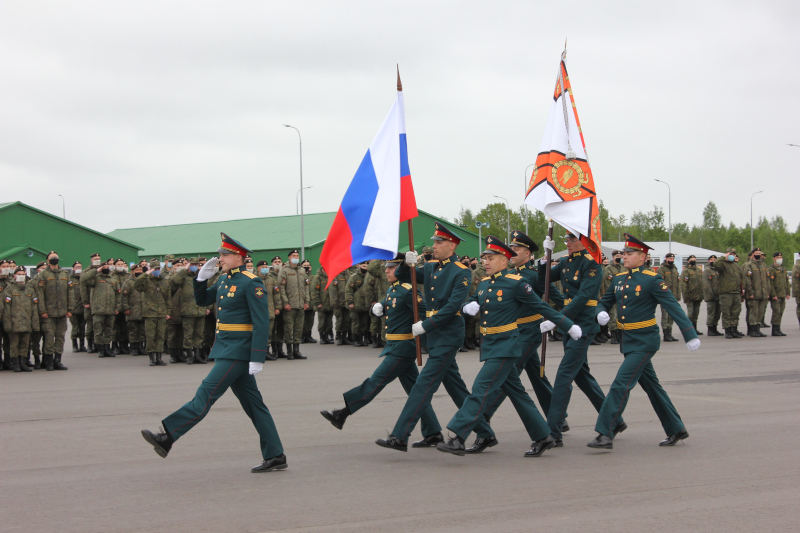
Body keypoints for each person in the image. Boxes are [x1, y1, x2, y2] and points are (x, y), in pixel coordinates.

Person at [141, 232, 286, 473]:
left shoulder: (251, 282)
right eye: (220, 255)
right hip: (226, 347)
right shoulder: (223, 279)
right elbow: (202, 301)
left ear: (239, 257)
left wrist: (258, 356)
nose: (220, 259)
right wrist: (200, 279)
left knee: (206, 393)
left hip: (238, 351)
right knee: (255, 406)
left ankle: (168, 435)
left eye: (225, 255)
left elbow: (261, 322)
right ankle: (276, 455)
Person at [437, 236, 579, 457]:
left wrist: (568, 325)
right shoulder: (484, 283)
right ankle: (543, 436)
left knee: (480, 390)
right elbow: (474, 298)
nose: (486, 262)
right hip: (490, 345)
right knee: (517, 392)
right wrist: (469, 305)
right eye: (485, 258)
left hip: (506, 346)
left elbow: (542, 306)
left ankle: (458, 436)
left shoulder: (516, 283)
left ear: (504, 260)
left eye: (491, 258)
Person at [375, 223, 481, 452]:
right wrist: (407, 260)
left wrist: (426, 324)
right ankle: (485, 432)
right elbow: (406, 275)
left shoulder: (461, 270)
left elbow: (454, 304)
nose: (434, 246)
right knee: (456, 387)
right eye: (434, 242)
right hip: (434, 334)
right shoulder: (433, 266)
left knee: (422, 385)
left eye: (438, 242)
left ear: (451, 245)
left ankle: (399, 436)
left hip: (448, 332)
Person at [588, 234, 699, 450]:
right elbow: (604, 301)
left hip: (645, 341)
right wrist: (600, 312)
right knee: (653, 387)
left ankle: (605, 432)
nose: (624, 257)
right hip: (628, 341)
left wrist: (689, 333)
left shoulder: (652, 279)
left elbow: (673, 306)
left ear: (642, 257)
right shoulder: (619, 279)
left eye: (629, 254)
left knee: (620, 384)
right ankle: (676, 428)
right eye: (623, 253)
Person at [320, 254, 442, 436]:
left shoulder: (409, 290)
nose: (386, 271)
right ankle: (432, 432)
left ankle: (342, 413)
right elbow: (387, 307)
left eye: (391, 268)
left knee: (375, 382)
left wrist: (423, 328)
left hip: (403, 347)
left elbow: (426, 313)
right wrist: (377, 308)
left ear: (401, 270)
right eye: (386, 267)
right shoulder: (393, 290)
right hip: (394, 346)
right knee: (416, 392)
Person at [538, 232, 626, 447]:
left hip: (583, 324)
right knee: (582, 376)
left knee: (564, 375)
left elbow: (583, 296)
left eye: (572, 240)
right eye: (566, 240)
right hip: (572, 324)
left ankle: (554, 432)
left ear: (584, 242)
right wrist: (544, 259)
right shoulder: (567, 262)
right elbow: (545, 279)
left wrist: (561, 319)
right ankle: (615, 421)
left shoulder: (593, 265)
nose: (567, 244)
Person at [34, 251, 74, 370]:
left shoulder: (65, 274)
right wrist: (43, 311)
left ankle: (58, 360)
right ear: (47, 260)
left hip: (62, 311)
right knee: (49, 337)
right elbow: (39, 294)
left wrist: (69, 309)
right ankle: (49, 362)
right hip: (49, 312)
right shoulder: (43, 275)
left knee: (60, 336)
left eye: (56, 257)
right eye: (52, 258)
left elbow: (70, 293)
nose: (54, 259)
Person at [171, 257, 209, 364]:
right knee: (188, 335)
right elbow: (173, 281)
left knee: (199, 335)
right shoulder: (184, 277)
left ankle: (197, 355)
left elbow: (208, 292)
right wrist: (184, 270)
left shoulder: (201, 277)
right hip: (188, 311)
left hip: (200, 310)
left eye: (196, 264)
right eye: (192, 264)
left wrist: (207, 308)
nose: (194, 266)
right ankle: (190, 356)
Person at [1, 267, 40, 372]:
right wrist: (8, 324)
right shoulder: (10, 289)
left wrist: (35, 324)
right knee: (14, 345)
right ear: (14, 276)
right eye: (19, 274)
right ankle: (16, 363)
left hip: (27, 322)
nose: (21, 276)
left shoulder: (30, 290)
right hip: (14, 322)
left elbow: (34, 308)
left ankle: (23, 363)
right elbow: (6, 308)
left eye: (23, 274)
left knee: (25, 344)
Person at [134, 259, 171, 366]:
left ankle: (159, 357)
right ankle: (151, 358)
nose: (157, 271)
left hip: (161, 312)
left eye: (158, 269)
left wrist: (168, 312)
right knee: (150, 336)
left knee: (160, 336)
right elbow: (137, 284)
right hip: (150, 313)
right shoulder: (145, 281)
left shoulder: (164, 281)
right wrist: (145, 274)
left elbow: (168, 298)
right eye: (155, 269)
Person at [83, 260, 122, 359]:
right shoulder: (95, 279)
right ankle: (100, 349)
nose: (106, 269)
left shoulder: (113, 280)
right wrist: (96, 270)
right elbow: (84, 279)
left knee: (108, 330)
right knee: (98, 331)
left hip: (110, 310)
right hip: (98, 310)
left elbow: (118, 295)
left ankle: (107, 348)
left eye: (107, 267)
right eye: (103, 267)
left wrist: (117, 307)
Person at [277, 249, 309, 359]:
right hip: (290, 305)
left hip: (300, 304)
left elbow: (306, 287)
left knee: (298, 328)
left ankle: (297, 351)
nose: (296, 257)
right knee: (288, 329)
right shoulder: (284, 271)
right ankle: (289, 352)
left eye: (297, 255)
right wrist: (285, 302)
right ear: (289, 257)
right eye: (294, 255)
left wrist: (306, 301)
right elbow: (281, 288)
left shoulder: (302, 270)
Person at [709, 248, 743, 339]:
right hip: (726, 293)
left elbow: (741, 278)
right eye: (730, 253)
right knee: (726, 313)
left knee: (735, 312)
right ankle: (727, 331)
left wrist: (742, 291)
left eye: (734, 254)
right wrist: (723, 257)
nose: (732, 255)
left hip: (736, 292)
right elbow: (715, 264)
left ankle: (734, 329)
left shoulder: (736, 265)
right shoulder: (723, 264)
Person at [743, 248, 770, 337]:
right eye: (756, 253)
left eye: (759, 253)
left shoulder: (763, 265)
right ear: (753, 254)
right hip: (754, 294)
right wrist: (750, 292)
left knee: (760, 312)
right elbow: (747, 280)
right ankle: (752, 330)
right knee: (753, 313)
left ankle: (757, 329)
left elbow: (767, 279)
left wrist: (767, 291)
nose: (758, 254)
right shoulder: (749, 265)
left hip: (762, 293)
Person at [120, 264, 146, 356]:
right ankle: (134, 348)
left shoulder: (144, 281)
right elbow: (124, 297)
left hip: (143, 310)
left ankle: (141, 347)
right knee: (133, 330)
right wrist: (126, 308)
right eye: (137, 270)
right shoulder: (128, 282)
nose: (139, 271)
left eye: (140, 270)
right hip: (133, 310)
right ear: (132, 271)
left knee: (142, 330)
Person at [80, 253, 102, 353]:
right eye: (95, 259)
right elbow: (83, 287)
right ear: (91, 260)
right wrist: (85, 302)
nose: (97, 260)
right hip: (90, 301)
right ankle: (90, 344)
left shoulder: (102, 270)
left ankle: (98, 345)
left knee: (99, 325)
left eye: (98, 259)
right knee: (90, 324)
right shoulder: (87, 271)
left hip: (100, 302)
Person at [345, 262, 371, 347]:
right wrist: (350, 302)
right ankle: (356, 339)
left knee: (364, 323)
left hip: (365, 304)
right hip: (355, 304)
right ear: (359, 266)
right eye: (363, 266)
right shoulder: (354, 277)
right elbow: (349, 291)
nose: (365, 268)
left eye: (367, 267)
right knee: (355, 323)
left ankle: (362, 338)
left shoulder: (369, 277)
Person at [658, 252, 681, 342]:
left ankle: (670, 333)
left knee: (671, 316)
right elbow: (660, 284)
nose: (671, 260)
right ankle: (665, 334)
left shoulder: (675, 269)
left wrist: (678, 296)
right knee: (665, 316)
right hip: (665, 296)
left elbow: (678, 284)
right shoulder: (661, 269)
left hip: (673, 296)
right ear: (666, 259)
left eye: (673, 259)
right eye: (670, 259)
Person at [266, 256, 286, 357]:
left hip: (285, 305)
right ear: (272, 264)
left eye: (279, 261)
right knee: (272, 329)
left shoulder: (284, 273)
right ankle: (273, 350)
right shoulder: (270, 275)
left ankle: (280, 349)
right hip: (273, 307)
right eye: (275, 262)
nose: (277, 263)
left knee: (281, 328)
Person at [680, 254, 704, 335]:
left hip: (698, 296)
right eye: (691, 259)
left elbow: (701, 283)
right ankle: (689, 330)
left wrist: (702, 295)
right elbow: (684, 285)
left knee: (696, 314)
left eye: (694, 259)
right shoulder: (686, 271)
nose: (693, 260)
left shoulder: (698, 270)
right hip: (690, 296)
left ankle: (695, 329)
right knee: (690, 315)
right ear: (688, 261)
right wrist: (686, 297)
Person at [311, 265, 334, 345]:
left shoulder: (331, 276)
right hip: (322, 303)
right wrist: (318, 303)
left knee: (329, 322)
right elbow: (314, 292)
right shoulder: (318, 277)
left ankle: (327, 336)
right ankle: (322, 337)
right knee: (322, 322)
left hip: (330, 303)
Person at [768, 252, 789, 336]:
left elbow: (786, 282)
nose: (779, 258)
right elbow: (770, 283)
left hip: (782, 294)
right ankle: (774, 329)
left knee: (781, 312)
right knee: (776, 312)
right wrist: (773, 294)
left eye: (780, 256)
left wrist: (788, 293)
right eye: (777, 257)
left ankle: (778, 328)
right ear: (773, 258)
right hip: (776, 294)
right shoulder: (771, 269)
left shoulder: (783, 268)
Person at [69, 261, 87, 353]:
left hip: (83, 307)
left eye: (80, 266)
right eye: (76, 267)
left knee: (82, 327)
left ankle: (82, 345)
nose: (78, 268)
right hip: (73, 308)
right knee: (75, 327)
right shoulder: (70, 279)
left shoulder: (83, 278)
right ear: (73, 268)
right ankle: (74, 345)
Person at [703, 255, 722, 336]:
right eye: (711, 259)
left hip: (719, 295)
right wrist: (710, 295)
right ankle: (710, 329)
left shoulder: (719, 270)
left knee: (717, 313)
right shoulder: (707, 271)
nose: (713, 261)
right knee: (711, 313)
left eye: (715, 259)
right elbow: (706, 285)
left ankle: (715, 328)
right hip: (711, 296)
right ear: (708, 261)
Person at [300, 259, 317, 344]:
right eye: (305, 266)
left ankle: (308, 335)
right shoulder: (300, 276)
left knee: (310, 320)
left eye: (308, 266)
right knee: (302, 320)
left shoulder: (313, 277)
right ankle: (302, 336)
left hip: (311, 302)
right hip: (303, 302)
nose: (307, 267)